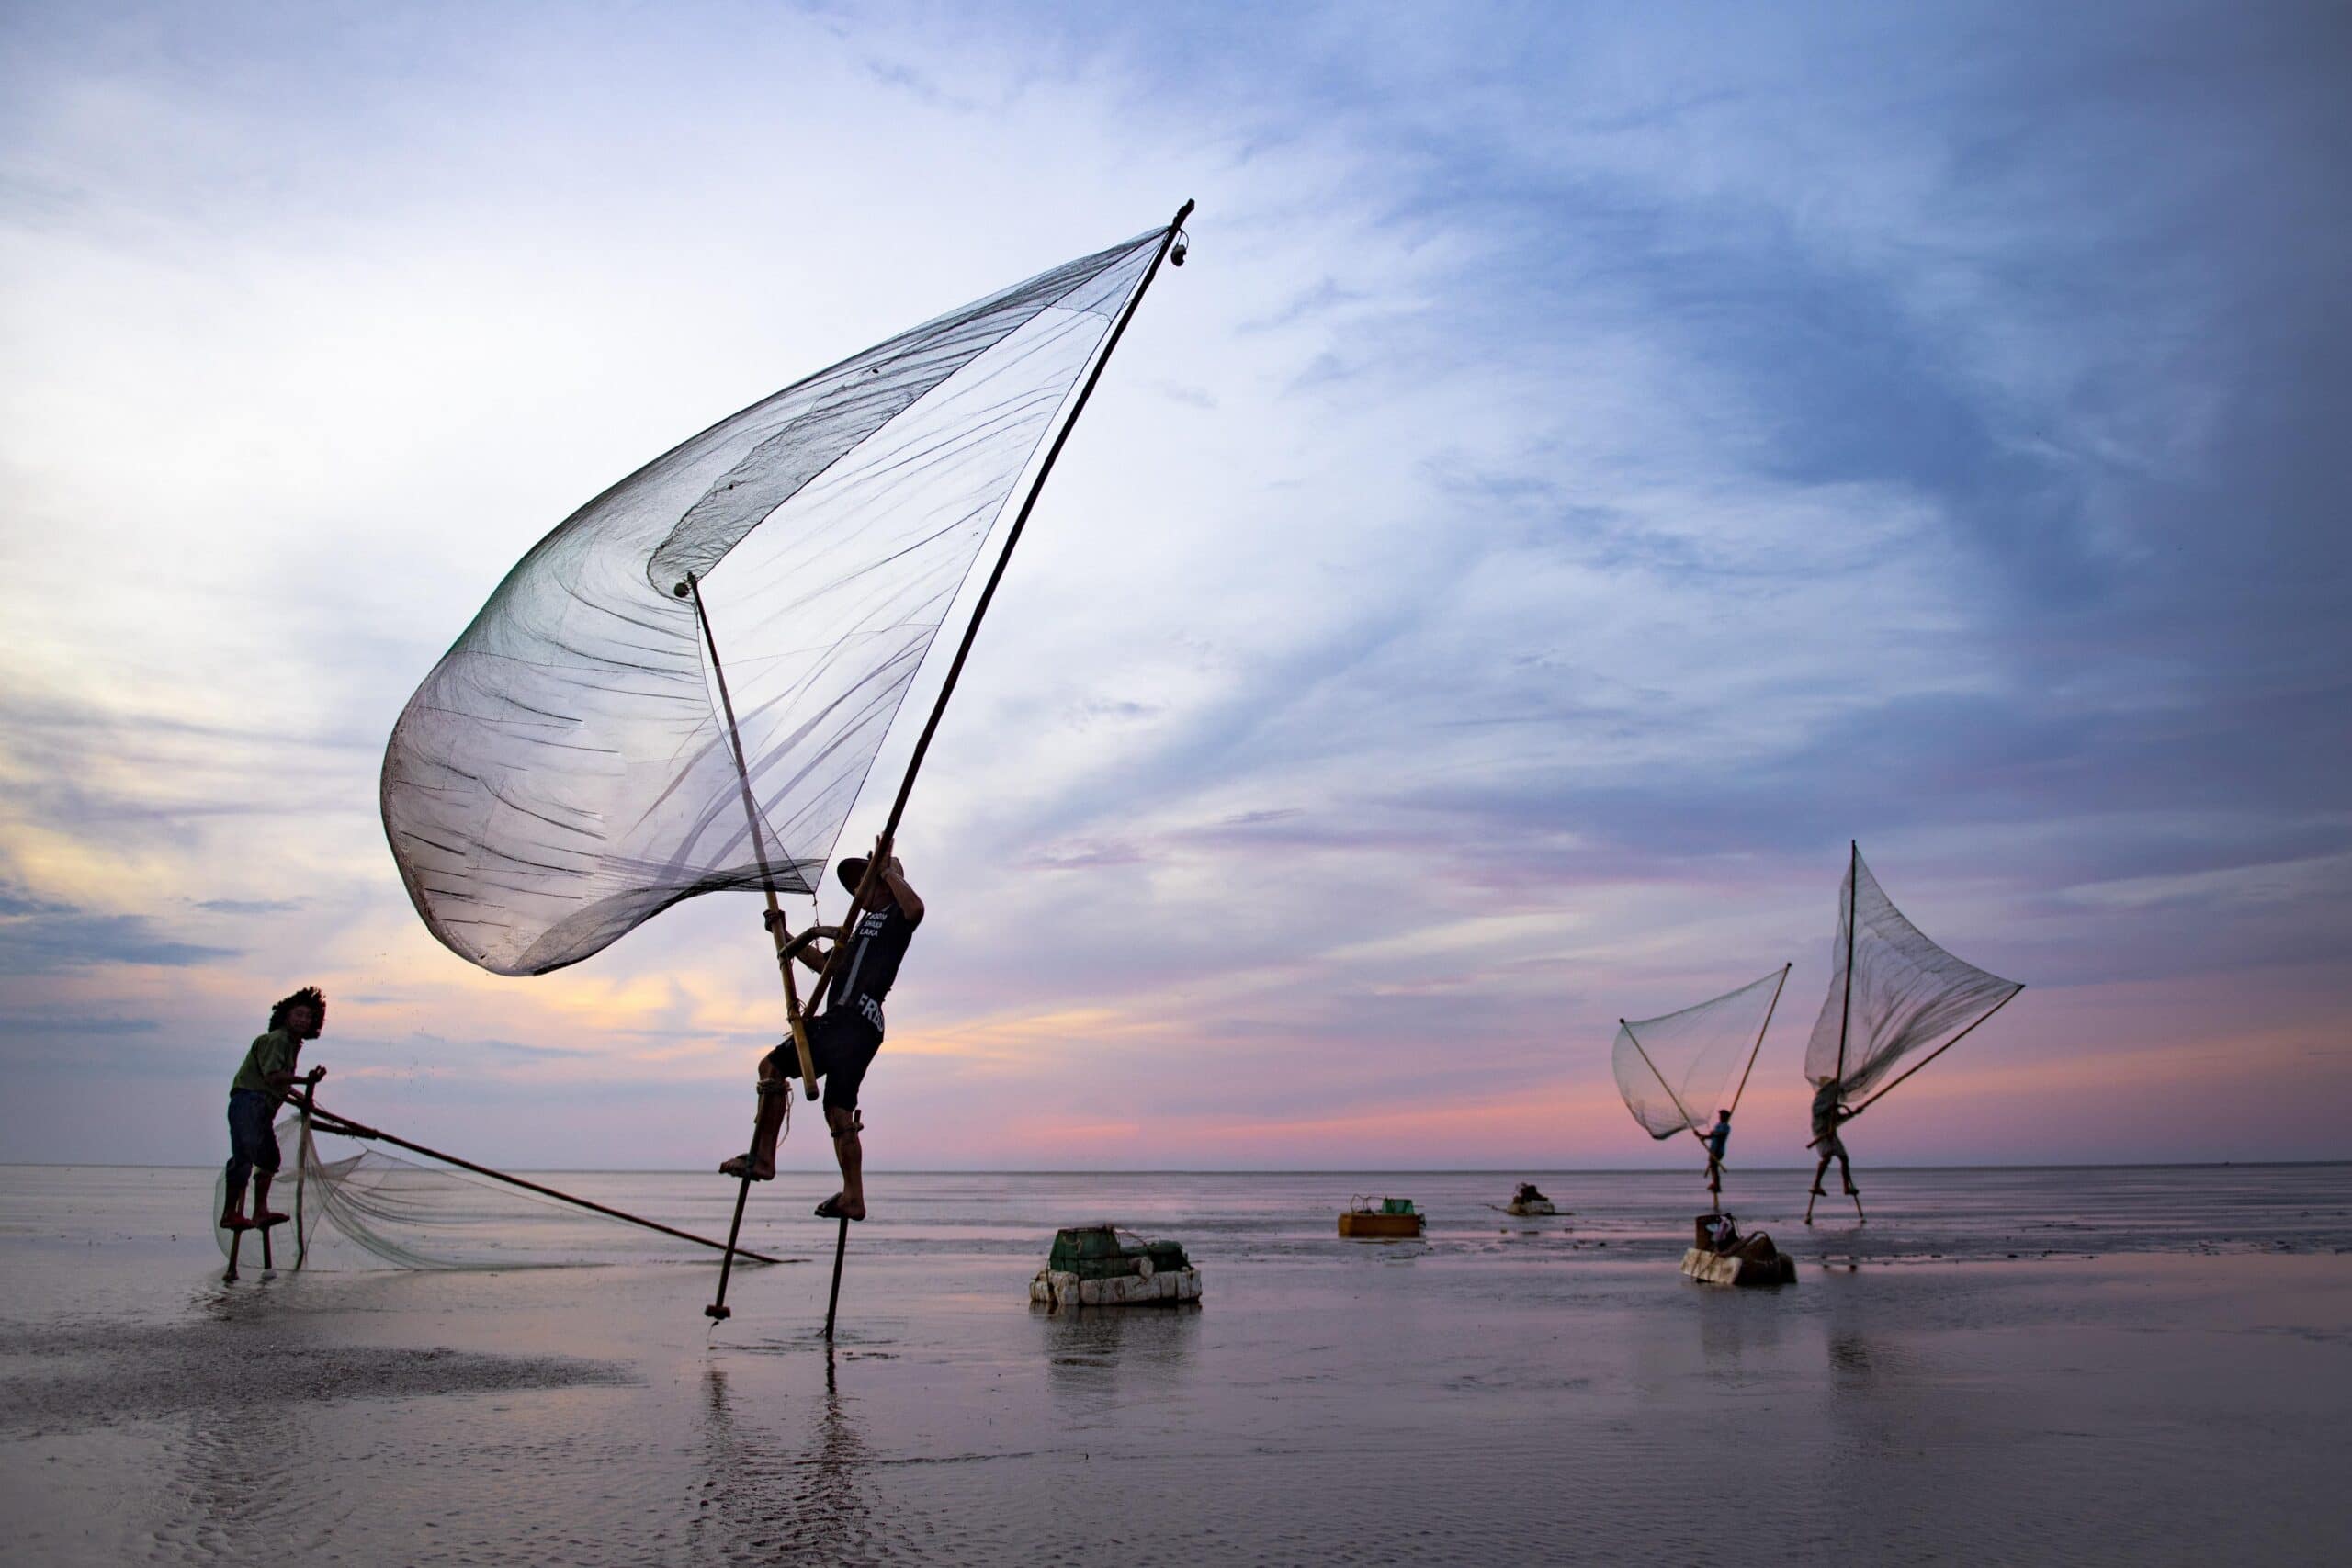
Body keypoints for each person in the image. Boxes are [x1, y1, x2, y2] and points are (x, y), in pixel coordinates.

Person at [720, 845, 922, 1223]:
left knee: (771, 1067)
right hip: (862, 1028)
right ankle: (853, 1197)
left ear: (884, 884)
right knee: (838, 1111)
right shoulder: (860, 930)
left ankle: (763, 1156)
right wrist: (783, 933)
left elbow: (916, 910)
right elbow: (824, 964)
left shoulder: (896, 914)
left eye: (865, 881)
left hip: (850, 1019)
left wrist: (887, 872)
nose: (859, 890)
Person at [220, 987, 327, 1231]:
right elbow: (273, 1077)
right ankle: (229, 1214)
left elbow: (282, 1085)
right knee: (244, 1156)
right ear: (286, 1015)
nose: (303, 1020)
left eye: (308, 1017)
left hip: (263, 1108)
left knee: (269, 1158)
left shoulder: (291, 1045)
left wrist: (303, 1097)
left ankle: (260, 1212)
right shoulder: (277, 1039)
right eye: (298, 1014)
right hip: (249, 1102)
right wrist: (307, 1081)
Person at [1808, 1076, 1858, 1202]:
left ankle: (1846, 1187)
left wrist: (1852, 1114)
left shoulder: (1832, 1100)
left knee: (1844, 1158)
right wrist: (1832, 1106)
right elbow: (1818, 1111)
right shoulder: (1819, 1100)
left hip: (1832, 1134)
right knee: (1827, 1157)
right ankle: (1816, 1185)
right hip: (1821, 1133)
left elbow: (1837, 1120)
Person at [1704, 1109, 1732, 1201]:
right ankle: (1715, 1184)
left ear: (1726, 1117)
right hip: (1713, 1150)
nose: (1720, 1117)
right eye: (1720, 1116)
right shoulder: (1718, 1125)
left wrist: (1714, 1133)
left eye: (1722, 1116)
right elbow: (1712, 1136)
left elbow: (1721, 1135)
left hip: (1718, 1151)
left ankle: (1717, 1185)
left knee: (1714, 1167)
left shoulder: (1726, 1127)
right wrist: (1702, 1136)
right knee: (1713, 1168)